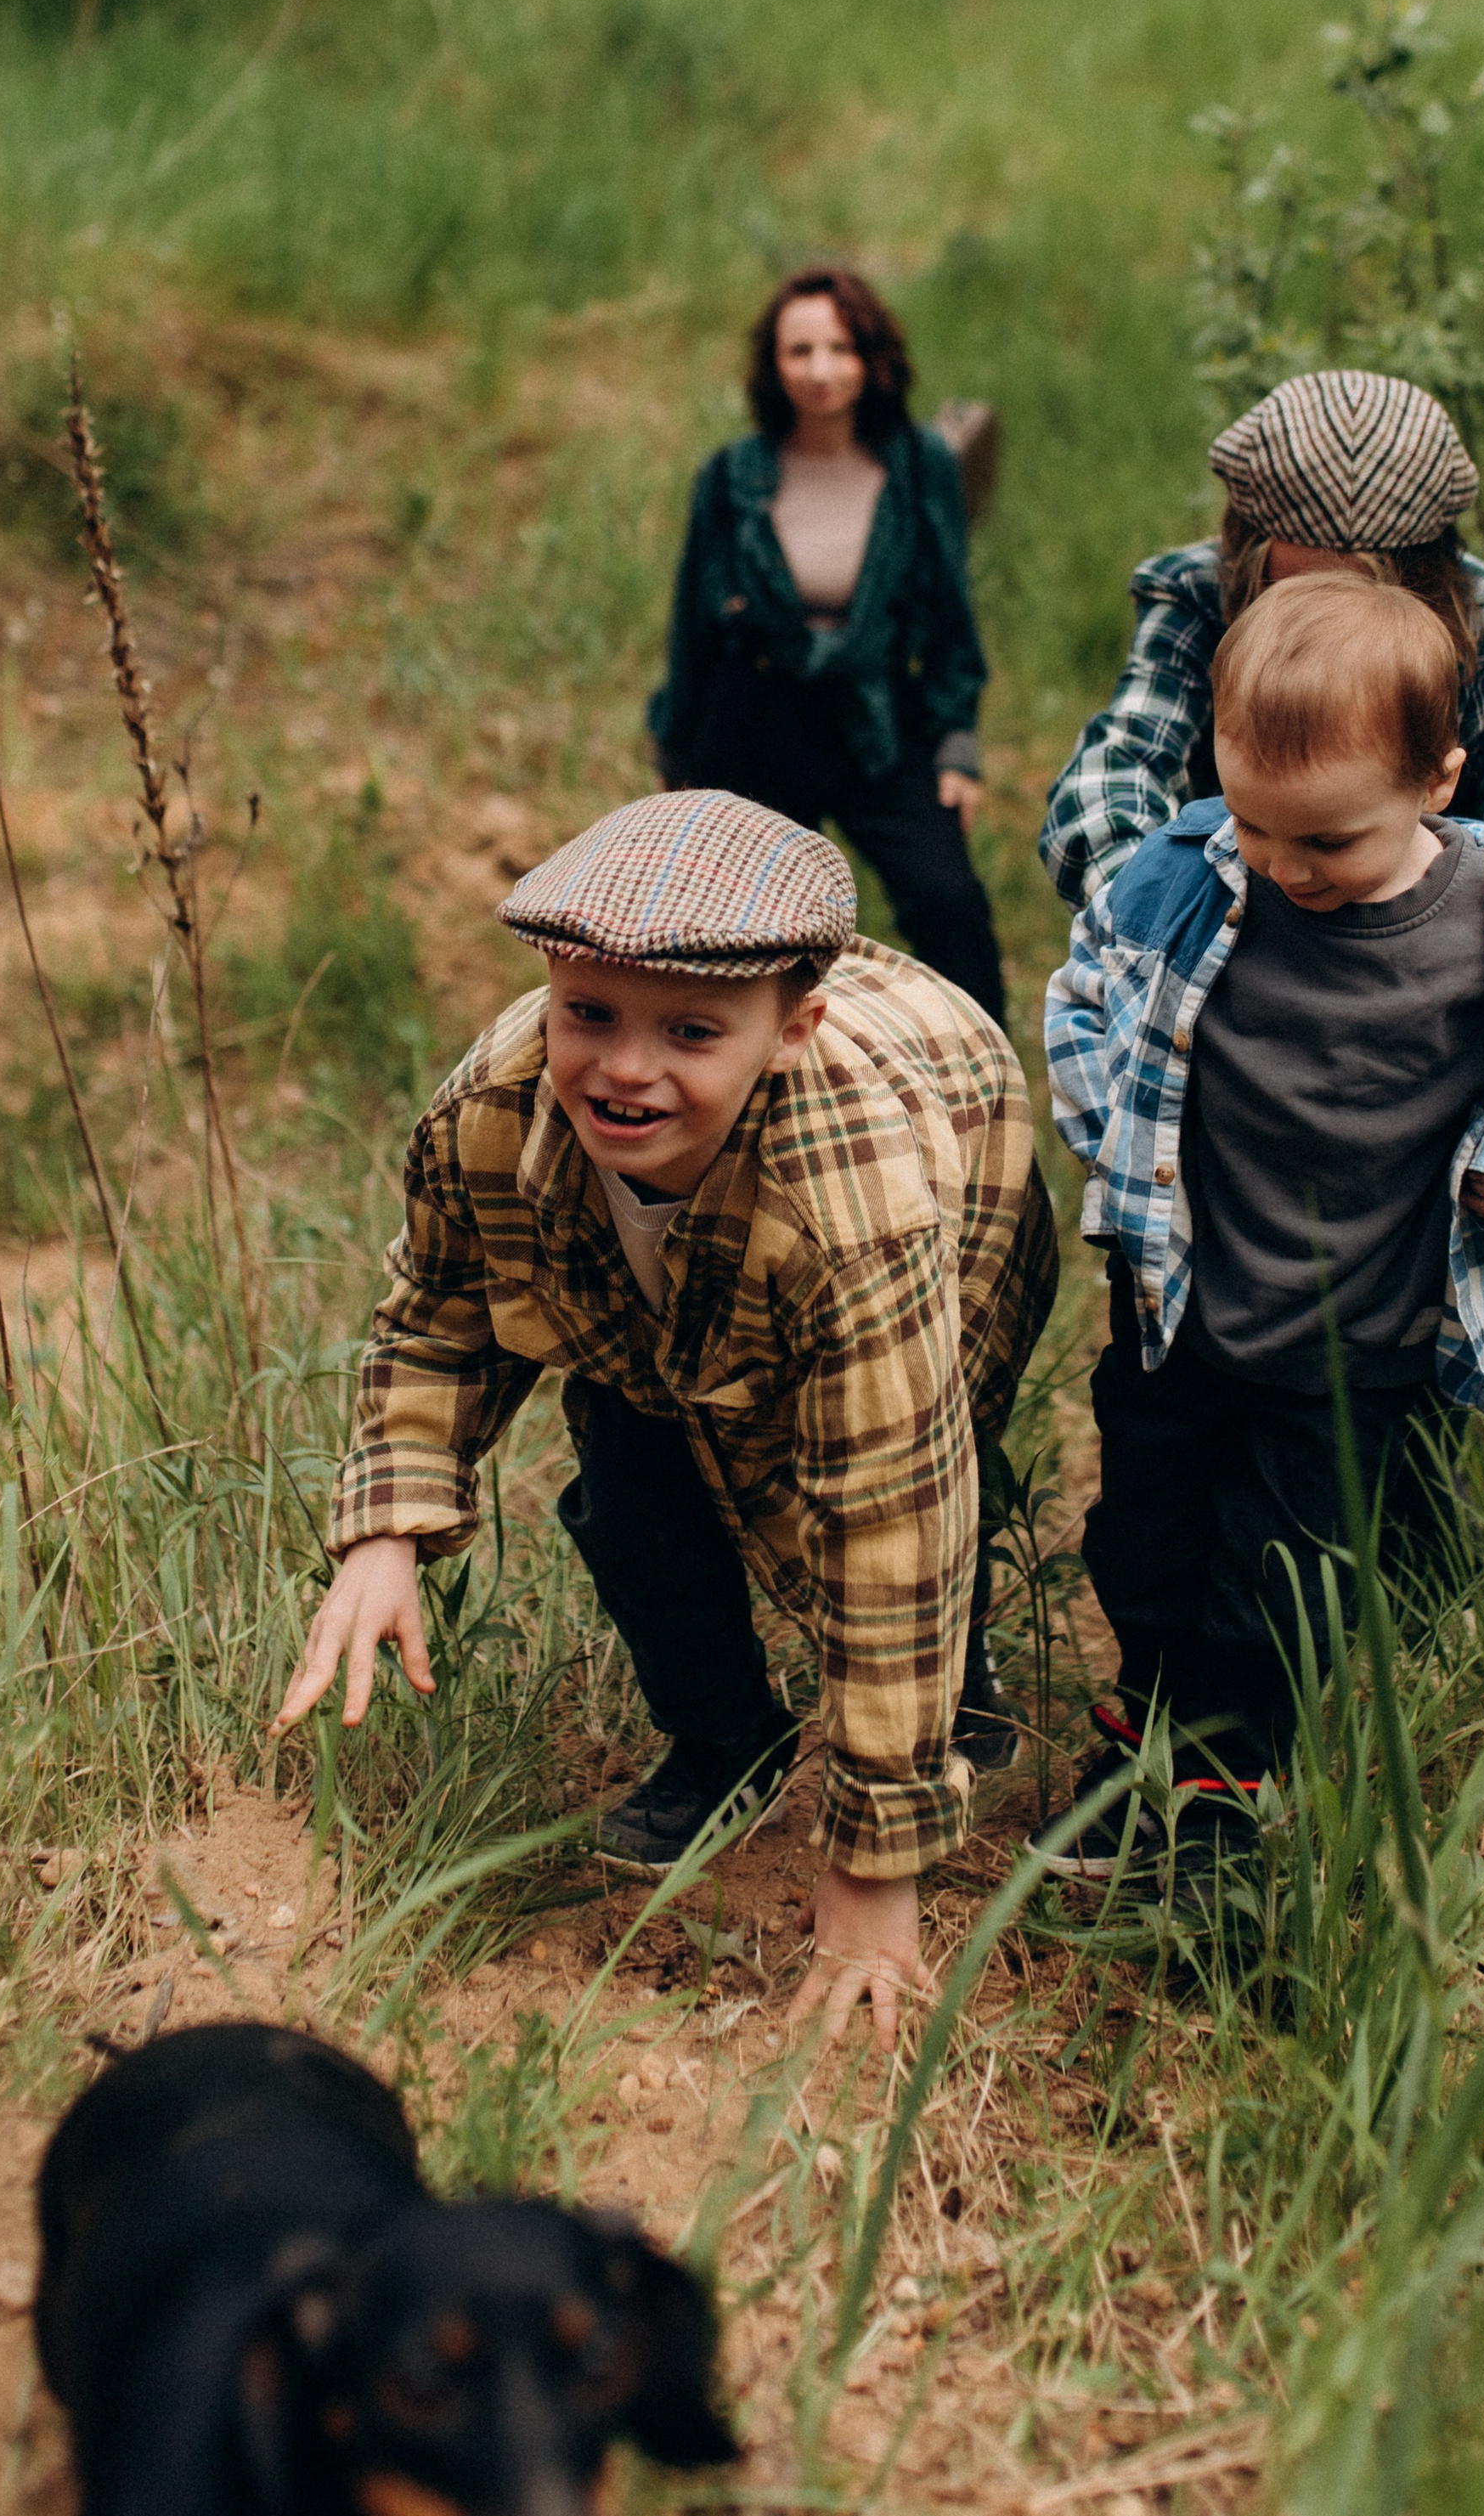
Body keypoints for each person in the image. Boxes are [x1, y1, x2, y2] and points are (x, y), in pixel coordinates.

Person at [276, 789, 1059, 2051]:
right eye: (588, 1014)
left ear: (792, 1026)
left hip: (960, 1192)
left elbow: (894, 1503)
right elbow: (440, 1313)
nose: (626, 1067)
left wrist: (871, 1873)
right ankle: (724, 1737)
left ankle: (945, 1699)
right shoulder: (491, 1112)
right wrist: (387, 1532)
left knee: (884, 1501)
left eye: (691, 1031)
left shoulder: (865, 1205)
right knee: (633, 1478)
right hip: (634, 1300)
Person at [1038, 573, 1484, 1881]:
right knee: (1142, 1540)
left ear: (1439, 782)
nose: (1281, 866)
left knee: (1279, 1578)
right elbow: (1086, 990)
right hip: (1185, 1306)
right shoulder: (1187, 874)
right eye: (1255, 825)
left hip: (1358, 1335)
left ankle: (1216, 1795)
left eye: (1325, 843)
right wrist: (1109, 1134)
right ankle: (1142, 1724)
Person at [1039, 369, 1484, 919]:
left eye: (1363, 584)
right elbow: (1109, 780)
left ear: (1426, 566)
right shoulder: (1199, 592)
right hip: (1232, 906)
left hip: (1423, 928)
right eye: (1298, 586)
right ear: (1249, 537)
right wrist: (1171, 923)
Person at [649, 266, 1008, 1028]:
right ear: (772, 365)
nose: (819, 370)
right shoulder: (733, 474)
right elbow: (694, 623)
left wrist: (956, 743)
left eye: (840, 348)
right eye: (798, 350)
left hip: (878, 710)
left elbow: (950, 609)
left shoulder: (918, 465)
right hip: (755, 709)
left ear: (873, 358)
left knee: (951, 906)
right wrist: (679, 756)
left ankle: (983, 1097)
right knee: (738, 932)